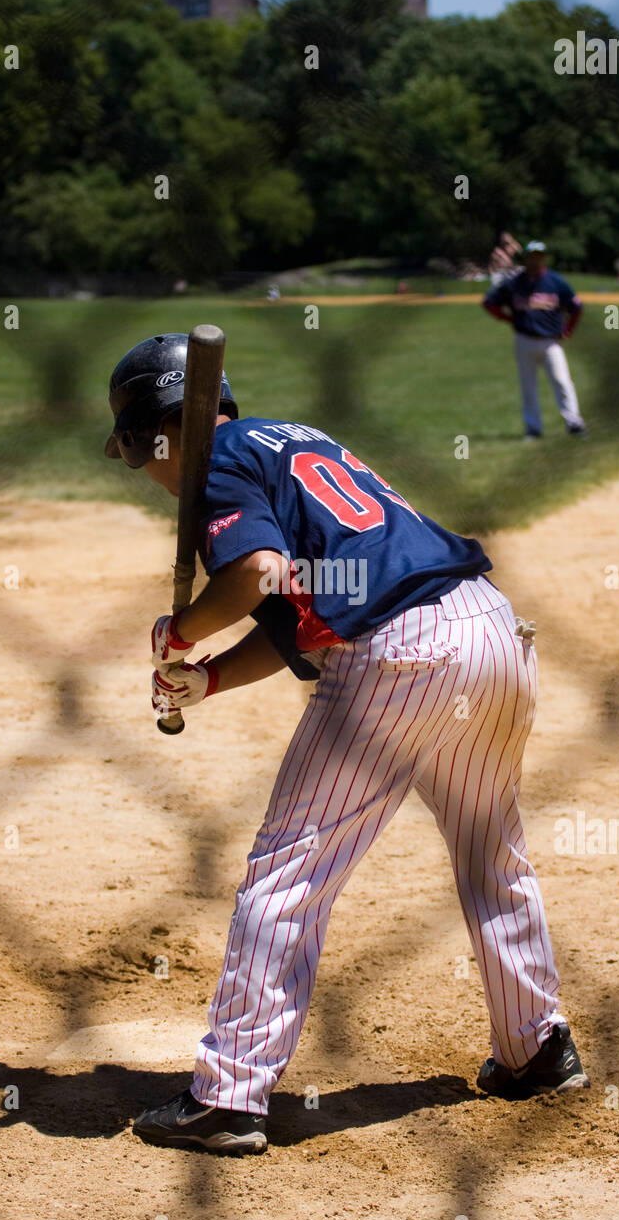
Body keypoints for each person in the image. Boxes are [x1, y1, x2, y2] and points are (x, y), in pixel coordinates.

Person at [103, 332, 590, 1155]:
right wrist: (208, 676)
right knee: (491, 852)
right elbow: (303, 618)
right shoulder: (290, 441)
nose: (147, 478)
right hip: (489, 633)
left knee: (288, 869)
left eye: (134, 455)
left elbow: (254, 570)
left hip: (401, 656)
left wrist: (178, 629)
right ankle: (536, 1048)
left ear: (160, 433)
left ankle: (229, 1096)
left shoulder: (214, 460)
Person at [483, 241, 587, 440]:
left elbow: (577, 307)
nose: (536, 259)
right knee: (528, 386)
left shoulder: (556, 282)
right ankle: (533, 428)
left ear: (544, 258)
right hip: (524, 340)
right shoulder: (514, 283)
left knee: (562, 381)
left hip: (550, 342)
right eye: (532, 256)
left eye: (539, 256)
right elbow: (489, 303)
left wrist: (568, 330)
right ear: (526, 258)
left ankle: (574, 422)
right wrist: (506, 318)